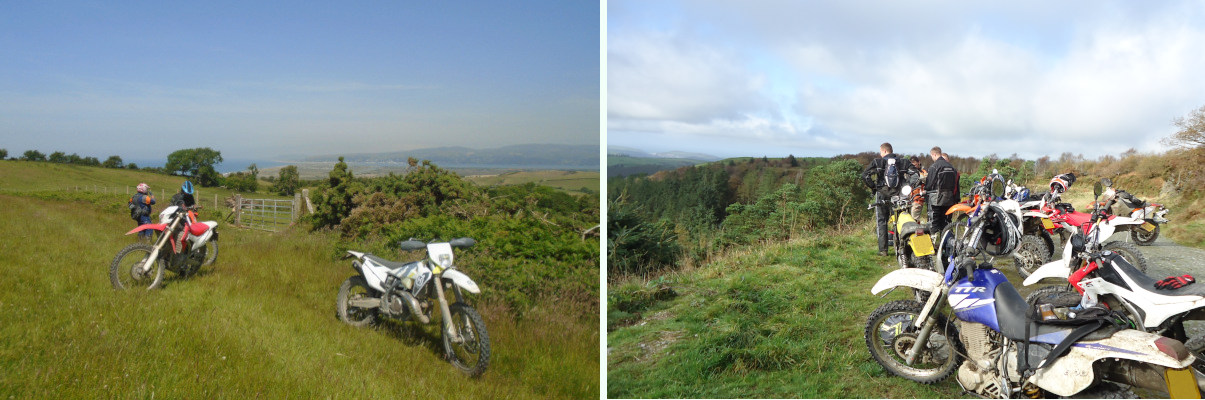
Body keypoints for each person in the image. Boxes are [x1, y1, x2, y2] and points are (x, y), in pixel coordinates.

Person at [861, 143, 907, 256]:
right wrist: (907, 187)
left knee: (882, 222)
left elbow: (865, 175)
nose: (880, 154)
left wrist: (874, 187)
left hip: (882, 194)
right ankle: (902, 248)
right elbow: (914, 174)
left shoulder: (878, 162)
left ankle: (883, 250)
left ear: (885, 151)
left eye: (881, 152)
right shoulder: (902, 162)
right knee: (899, 220)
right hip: (897, 195)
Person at [926, 146, 959, 233]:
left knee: (934, 223)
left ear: (934, 154)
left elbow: (929, 184)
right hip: (949, 199)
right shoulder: (952, 168)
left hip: (936, 199)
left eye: (931, 156)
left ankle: (934, 244)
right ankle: (946, 243)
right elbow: (955, 184)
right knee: (946, 223)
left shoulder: (934, 166)